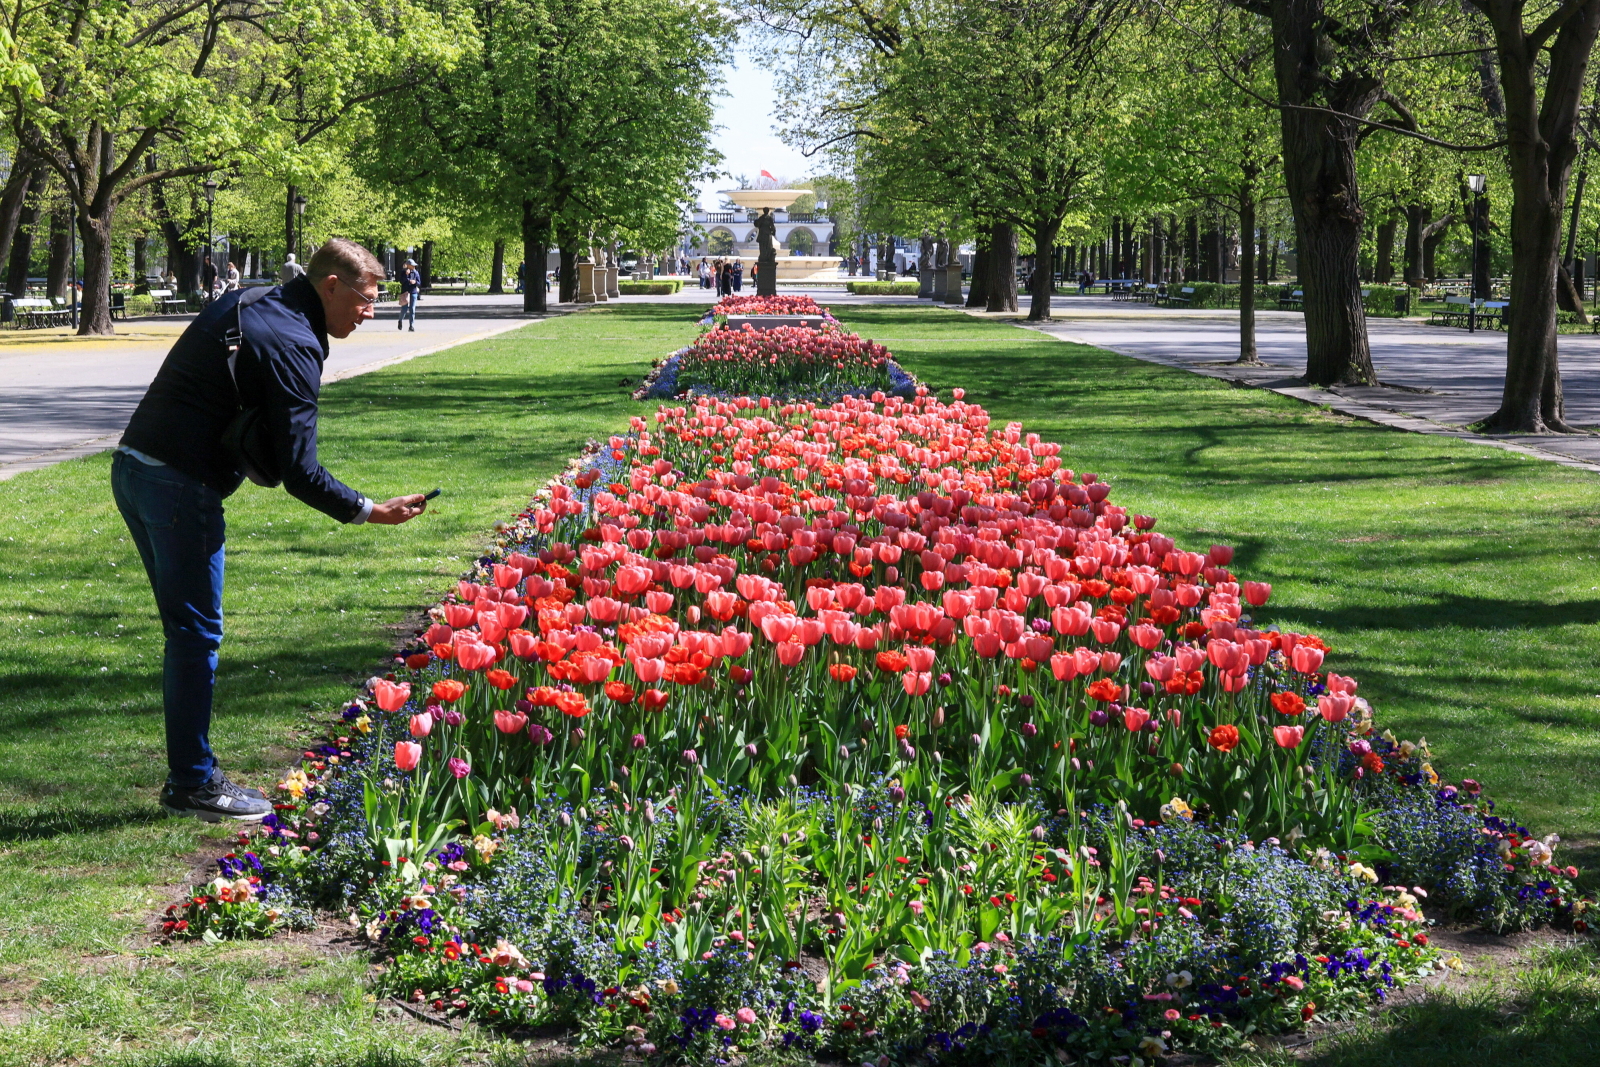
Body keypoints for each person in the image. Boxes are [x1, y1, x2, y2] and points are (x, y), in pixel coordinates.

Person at [114, 238, 427, 822]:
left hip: (133, 468)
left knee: (186, 635)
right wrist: (368, 509)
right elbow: (298, 471)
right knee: (194, 637)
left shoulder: (258, 298)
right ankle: (193, 783)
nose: (372, 310)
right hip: (178, 487)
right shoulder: (292, 341)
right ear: (330, 285)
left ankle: (192, 774)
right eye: (366, 297)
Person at [398, 257, 420, 331]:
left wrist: (415, 282)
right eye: (412, 265)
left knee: (412, 309)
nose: (414, 266)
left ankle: (411, 326)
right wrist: (406, 275)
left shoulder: (416, 272)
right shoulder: (403, 272)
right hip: (405, 292)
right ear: (408, 265)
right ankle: (400, 320)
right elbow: (401, 281)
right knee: (404, 309)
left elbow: (419, 282)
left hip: (413, 292)